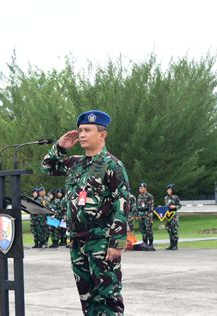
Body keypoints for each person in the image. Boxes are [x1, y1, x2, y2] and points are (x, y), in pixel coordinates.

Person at [41, 109, 130, 315]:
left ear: (102, 134)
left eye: (87, 130)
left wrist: (117, 242)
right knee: (87, 298)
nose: (81, 134)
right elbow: (47, 167)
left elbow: (122, 202)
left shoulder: (112, 165)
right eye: (80, 130)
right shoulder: (75, 164)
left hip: (101, 241)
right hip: (77, 241)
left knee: (108, 296)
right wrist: (60, 147)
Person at [137, 182, 155, 250]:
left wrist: (149, 216)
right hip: (141, 215)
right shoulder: (139, 196)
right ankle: (145, 244)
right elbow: (138, 206)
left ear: (145, 188)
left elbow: (151, 207)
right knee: (143, 230)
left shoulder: (149, 196)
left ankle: (150, 245)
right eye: (139, 188)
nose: (140, 189)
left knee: (149, 230)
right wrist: (138, 214)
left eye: (141, 188)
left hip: (147, 215)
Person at [164, 183, 181, 250]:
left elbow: (179, 205)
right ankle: (171, 245)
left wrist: (175, 206)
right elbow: (166, 206)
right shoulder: (166, 198)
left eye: (170, 189)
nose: (168, 191)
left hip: (174, 216)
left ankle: (175, 245)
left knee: (174, 230)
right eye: (167, 190)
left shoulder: (175, 197)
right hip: (168, 216)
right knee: (169, 230)